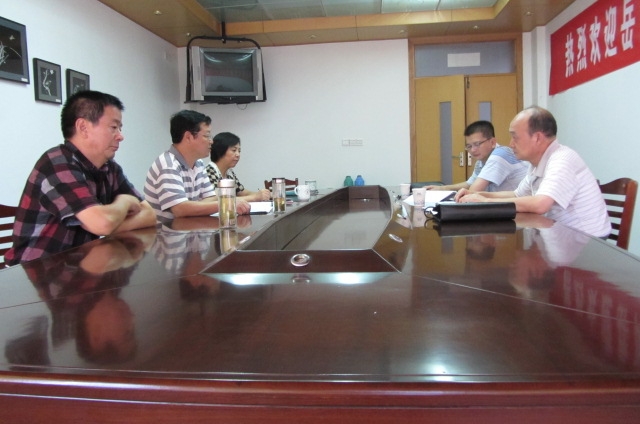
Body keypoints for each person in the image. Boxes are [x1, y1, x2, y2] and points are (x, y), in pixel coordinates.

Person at [5, 90, 156, 266]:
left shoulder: (109, 168)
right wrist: (124, 201)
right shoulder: (57, 164)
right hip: (36, 272)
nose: (120, 136)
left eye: (120, 128)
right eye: (114, 127)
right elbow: (102, 224)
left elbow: (150, 214)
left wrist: (109, 224)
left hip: (78, 266)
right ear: (83, 127)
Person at [456, 106, 611, 238]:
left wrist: (485, 202)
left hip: (588, 245)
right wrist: (477, 195)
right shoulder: (537, 164)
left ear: (537, 138)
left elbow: (540, 204)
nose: (511, 144)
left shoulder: (562, 159)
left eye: (515, 137)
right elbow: (517, 194)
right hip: (561, 238)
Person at [144, 110, 251, 223]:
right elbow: (180, 210)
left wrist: (191, 207)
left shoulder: (198, 163)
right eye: (207, 136)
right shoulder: (168, 165)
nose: (211, 141)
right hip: (166, 232)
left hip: (189, 229)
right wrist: (227, 204)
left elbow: (211, 198)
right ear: (188, 137)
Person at [426, 120, 528, 192]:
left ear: (492, 142)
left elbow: (473, 191)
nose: (473, 150)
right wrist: (442, 188)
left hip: (521, 210)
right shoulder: (482, 160)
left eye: (477, 144)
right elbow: (470, 183)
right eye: (469, 146)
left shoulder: (500, 155)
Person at [206, 132, 271, 202]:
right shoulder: (210, 171)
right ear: (220, 151)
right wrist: (255, 197)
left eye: (239, 151)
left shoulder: (229, 173)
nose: (238, 154)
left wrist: (265, 194)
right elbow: (220, 200)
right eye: (234, 150)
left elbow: (243, 192)